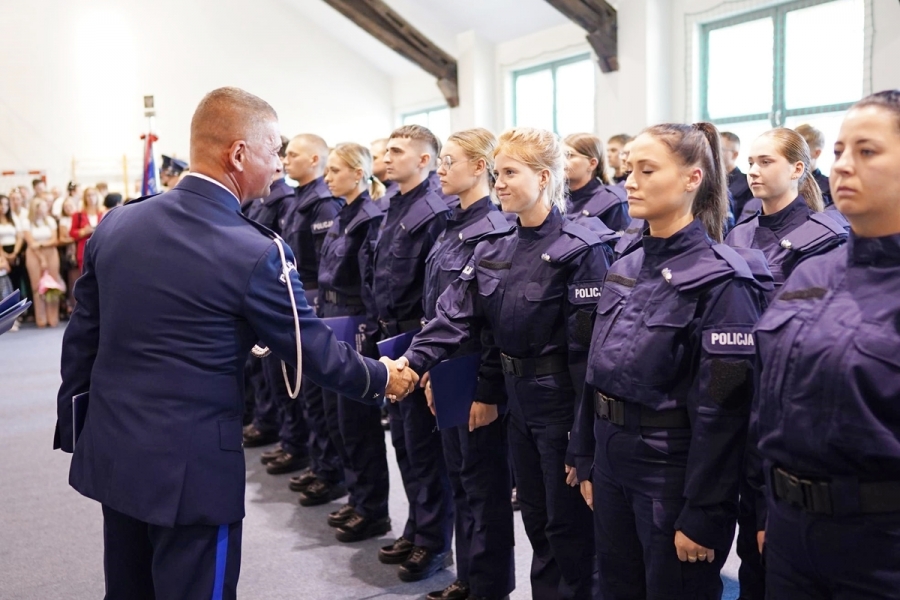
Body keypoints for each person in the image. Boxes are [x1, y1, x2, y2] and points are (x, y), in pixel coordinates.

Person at [53, 86, 417, 600]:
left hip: (116, 450)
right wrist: (384, 377)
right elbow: (310, 349)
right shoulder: (254, 250)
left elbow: (82, 339)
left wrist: (78, 426)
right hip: (193, 470)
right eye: (273, 151)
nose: (278, 168)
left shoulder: (119, 223)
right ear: (239, 153)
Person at [400, 127, 610, 599]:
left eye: (510, 173)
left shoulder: (582, 250)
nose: (499, 183)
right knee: (536, 521)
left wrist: (585, 437)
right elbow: (455, 315)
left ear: (543, 176)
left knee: (569, 531)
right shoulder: (496, 247)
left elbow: (589, 358)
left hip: (561, 410)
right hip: (519, 405)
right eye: (497, 173)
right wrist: (410, 363)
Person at [569, 122, 771, 600]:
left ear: (692, 178)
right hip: (613, 459)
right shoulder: (624, 266)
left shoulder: (724, 281)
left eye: (646, 169)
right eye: (628, 169)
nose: (630, 181)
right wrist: (587, 455)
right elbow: (593, 370)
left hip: (671, 475)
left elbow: (724, 413)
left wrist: (704, 511)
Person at [749, 90, 900, 599]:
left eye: (867, 151)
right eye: (838, 152)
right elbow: (771, 399)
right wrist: (770, 509)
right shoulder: (814, 271)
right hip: (792, 528)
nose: (844, 166)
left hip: (880, 543)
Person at [724, 127, 847, 600]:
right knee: (743, 533)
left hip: (783, 400)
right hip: (734, 388)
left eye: (766, 162)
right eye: (750, 162)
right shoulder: (739, 232)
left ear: (798, 169)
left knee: (770, 543)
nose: (753, 171)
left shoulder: (824, 239)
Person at [416, 128, 517, 600]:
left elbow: (494, 324)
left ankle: (489, 587)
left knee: (483, 490)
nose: (439, 168)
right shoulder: (452, 225)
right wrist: (435, 372)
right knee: (461, 482)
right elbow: (439, 306)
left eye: (449, 160)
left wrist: (485, 389)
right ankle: (469, 579)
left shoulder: (494, 231)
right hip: (450, 371)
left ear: (480, 167)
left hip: (475, 374)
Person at [368, 124, 453, 583]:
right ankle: (416, 526)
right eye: (386, 150)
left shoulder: (435, 210)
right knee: (404, 443)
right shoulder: (393, 205)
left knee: (425, 450)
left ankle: (434, 543)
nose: (387, 157)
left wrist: (425, 357)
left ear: (425, 160)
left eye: (397, 151)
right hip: (392, 338)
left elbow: (436, 291)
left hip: (418, 339)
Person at [314, 142, 391, 542]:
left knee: (358, 423)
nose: (328, 178)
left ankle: (373, 508)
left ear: (358, 173)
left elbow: (369, 282)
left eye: (336, 170)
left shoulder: (369, 218)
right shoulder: (344, 215)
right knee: (336, 419)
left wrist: (372, 338)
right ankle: (356, 497)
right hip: (332, 318)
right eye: (327, 170)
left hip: (355, 322)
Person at [563, 132, 631, 234]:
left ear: (592, 164)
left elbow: (620, 247)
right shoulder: (554, 200)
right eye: (560, 156)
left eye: (569, 155)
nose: (562, 161)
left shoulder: (613, 201)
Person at [23, 197, 62, 328]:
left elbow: (54, 240)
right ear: (36, 208)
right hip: (34, 255)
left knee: (52, 285)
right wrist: (41, 258)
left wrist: (41, 244)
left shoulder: (50, 221)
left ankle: (53, 317)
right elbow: (31, 243)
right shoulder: (27, 222)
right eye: (43, 206)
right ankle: (41, 318)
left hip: (51, 253)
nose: (46, 208)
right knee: (37, 286)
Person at [794, 123, 833, 207]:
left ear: (817, 153)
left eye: (801, 151)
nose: (793, 156)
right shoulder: (785, 184)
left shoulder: (830, 187)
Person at [721, 132, 755, 222]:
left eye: (720, 149)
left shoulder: (748, 185)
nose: (714, 153)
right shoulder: (708, 183)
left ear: (734, 154)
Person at [70, 187, 104, 276]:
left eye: (93, 195)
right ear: (84, 198)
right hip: (84, 249)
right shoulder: (78, 215)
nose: (91, 197)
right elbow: (72, 233)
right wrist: (83, 232)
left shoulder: (103, 213)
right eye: (88, 195)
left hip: (101, 249)